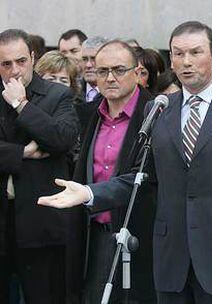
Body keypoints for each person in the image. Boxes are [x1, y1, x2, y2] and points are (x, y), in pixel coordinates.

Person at [38, 21, 212, 304]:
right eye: (178, 54)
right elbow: (141, 176)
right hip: (172, 261)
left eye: (195, 52)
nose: (186, 61)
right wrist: (90, 192)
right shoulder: (161, 108)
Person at [0, 29, 79, 304]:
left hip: (41, 224)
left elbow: (61, 139)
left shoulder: (57, 95)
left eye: (21, 61)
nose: (15, 70)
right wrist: (21, 152)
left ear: (33, 58)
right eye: (6, 64)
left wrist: (21, 105)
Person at [75, 40, 157, 304]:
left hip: (142, 236)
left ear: (137, 73)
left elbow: (144, 179)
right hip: (95, 236)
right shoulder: (90, 114)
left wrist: (89, 193)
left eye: (119, 70)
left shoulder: (156, 113)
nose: (110, 78)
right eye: (102, 71)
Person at [80, 36, 109, 102]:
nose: (88, 65)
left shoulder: (116, 93)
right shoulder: (72, 92)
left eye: (94, 59)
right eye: (84, 59)